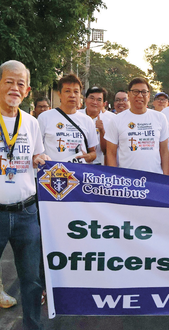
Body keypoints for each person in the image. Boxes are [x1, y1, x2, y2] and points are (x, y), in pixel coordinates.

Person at [0, 60, 47, 329]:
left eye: (21, 83)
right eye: (9, 81)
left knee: (31, 281)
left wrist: (40, 157)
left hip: (27, 212)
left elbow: (36, 155)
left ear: (27, 90)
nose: (15, 88)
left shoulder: (30, 122)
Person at [105, 77, 169, 174]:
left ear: (148, 96)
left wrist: (165, 179)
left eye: (144, 92)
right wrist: (116, 179)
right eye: (136, 91)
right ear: (129, 95)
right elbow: (110, 153)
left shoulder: (160, 118)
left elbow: (164, 151)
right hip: (127, 180)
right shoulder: (117, 120)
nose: (140, 95)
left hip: (154, 179)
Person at [38, 73, 98, 163]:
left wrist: (88, 156)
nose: (72, 95)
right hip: (53, 174)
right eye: (67, 91)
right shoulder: (44, 117)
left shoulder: (87, 120)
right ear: (59, 94)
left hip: (78, 174)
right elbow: (36, 150)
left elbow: (93, 152)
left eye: (76, 92)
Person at [79, 86, 115, 165]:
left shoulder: (112, 119)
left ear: (104, 103)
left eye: (99, 100)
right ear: (85, 100)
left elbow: (107, 150)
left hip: (99, 166)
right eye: (91, 98)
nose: (94, 102)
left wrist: (102, 130)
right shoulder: (77, 116)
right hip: (78, 164)